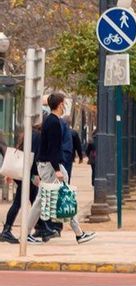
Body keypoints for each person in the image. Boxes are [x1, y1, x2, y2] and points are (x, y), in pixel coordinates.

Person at [25, 94, 93, 244]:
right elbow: (53, 149)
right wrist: (57, 169)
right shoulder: (54, 123)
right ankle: (78, 233)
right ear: (61, 104)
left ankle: (78, 233)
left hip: (47, 165)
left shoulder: (50, 120)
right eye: (63, 104)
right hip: (51, 166)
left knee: (51, 199)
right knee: (65, 197)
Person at [0, 120, 48, 244]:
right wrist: (36, 175)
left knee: (35, 201)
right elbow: (35, 156)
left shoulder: (30, 134)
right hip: (28, 174)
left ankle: (42, 228)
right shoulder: (39, 136)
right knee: (19, 203)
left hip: (23, 173)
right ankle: (7, 230)